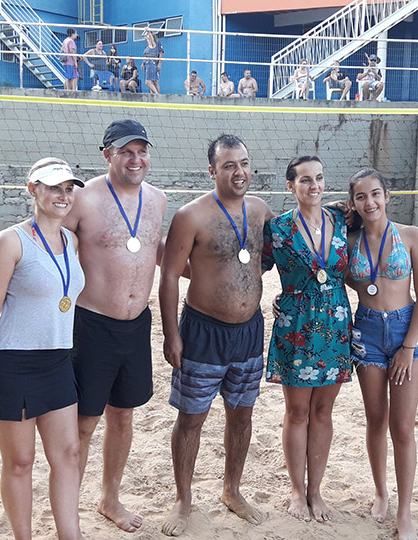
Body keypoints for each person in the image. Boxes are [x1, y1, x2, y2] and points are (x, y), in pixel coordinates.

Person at [159, 134, 271, 536]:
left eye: (243, 163)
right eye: (228, 166)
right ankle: (183, 500)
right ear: (212, 171)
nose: (238, 172)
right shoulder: (190, 216)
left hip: (249, 331)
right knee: (192, 418)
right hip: (203, 332)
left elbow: (283, 256)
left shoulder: (260, 210)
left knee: (242, 415)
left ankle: (232, 490)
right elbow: (169, 276)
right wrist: (171, 334)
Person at [62, 120, 168, 532]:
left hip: (136, 326)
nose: (135, 159)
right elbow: (51, 246)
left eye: (142, 151)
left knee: (123, 415)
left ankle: (110, 498)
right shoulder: (83, 199)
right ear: (107, 154)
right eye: (126, 152)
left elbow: (159, 252)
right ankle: (68, 509)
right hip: (92, 326)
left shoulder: (157, 200)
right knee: (84, 423)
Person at [0, 157, 86, 540]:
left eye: (68, 189)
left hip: (58, 360)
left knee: (68, 455)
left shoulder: (71, 240)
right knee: (21, 461)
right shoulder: (11, 240)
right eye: (54, 188)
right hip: (15, 362)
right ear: (33, 190)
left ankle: (69, 535)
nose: (63, 196)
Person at [264, 156, 352, 523]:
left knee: (323, 412)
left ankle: (316, 490)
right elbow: (252, 268)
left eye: (318, 178)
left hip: (335, 324)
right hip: (296, 326)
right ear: (291, 186)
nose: (314, 185)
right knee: (298, 412)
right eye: (305, 180)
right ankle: (297, 492)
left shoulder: (342, 221)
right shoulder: (278, 228)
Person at [346, 168, 418, 539]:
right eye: (361, 196)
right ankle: (381, 493)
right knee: (376, 419)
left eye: (375, 194)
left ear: (387, 196)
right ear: (353, 203)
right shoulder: (350, 240)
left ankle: (405, 511)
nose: (370, 202)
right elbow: (334, 279)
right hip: (366, 328)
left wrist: (408, 347)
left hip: (404, 329)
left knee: (403, 426)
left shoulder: (410, 235)